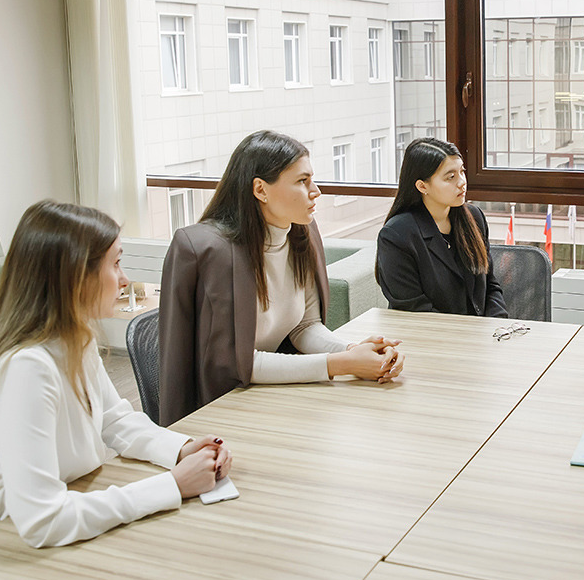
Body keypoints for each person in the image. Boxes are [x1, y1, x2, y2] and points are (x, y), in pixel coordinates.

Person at [0, 201, 232, 554]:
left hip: (41, 535)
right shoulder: (26, 368)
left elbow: (115, 419)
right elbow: (42, 520)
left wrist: (182, 449)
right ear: (76, 277)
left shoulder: (74, 338)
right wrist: (170, 486)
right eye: (116, 263)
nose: (124, 279)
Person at [159, 130, 404, 426]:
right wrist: (340, 364)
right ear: (261, 190)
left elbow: (305, 326)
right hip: (225, 410)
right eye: (302, 181)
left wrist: (355, 352)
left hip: (273, 398)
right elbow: (240, 364)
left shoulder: (302, 231)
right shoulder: (209, 250)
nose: (316, 192)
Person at [376, 137, 508, 318]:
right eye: (451, 177)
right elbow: (414, 309)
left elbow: (490, 285)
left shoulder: (473, 217)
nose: (462, 182)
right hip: (430, 337)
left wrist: (497, 326)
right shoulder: (397, 235)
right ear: (422, 186)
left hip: (480, 336)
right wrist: (471, 334)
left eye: (462, 171)